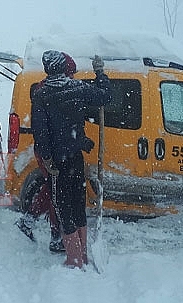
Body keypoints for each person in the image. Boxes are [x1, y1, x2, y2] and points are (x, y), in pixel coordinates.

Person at [31, 50, 111, 268]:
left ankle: (74, 258)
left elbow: (41, 132)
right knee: (77, 204)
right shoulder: (77, 88)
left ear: (48, 68)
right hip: (76, 159)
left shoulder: (41, 94)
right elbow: (105, 96)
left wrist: (46, 158)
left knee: (63, 207)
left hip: (57, 162)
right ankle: (83, 253)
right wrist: (100, 72)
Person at [15, 52, 77, 252]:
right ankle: (55, 235)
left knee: (50, 190)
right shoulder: (47, 90)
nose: (73, 77)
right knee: (55, 192)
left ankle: (30, 221)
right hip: (48, 151)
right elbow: (42, 128)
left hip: (50, 150)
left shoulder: (49, 87)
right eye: (71, 73)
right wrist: (48, 156)